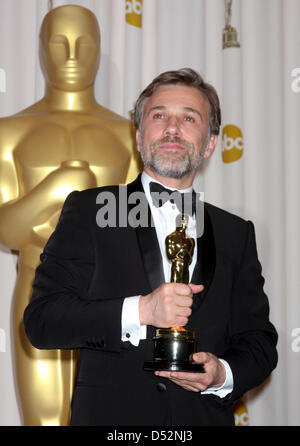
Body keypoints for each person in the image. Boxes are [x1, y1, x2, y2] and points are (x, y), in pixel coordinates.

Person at [24, 68, 278, 426]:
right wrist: (141, 310)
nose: (172, 128)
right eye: (159, 116)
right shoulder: (90, 211)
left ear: (210, 143)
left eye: (189, 118)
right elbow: (43, 321)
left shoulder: (236, 233)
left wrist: (221, 374)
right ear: (140, 136)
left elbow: (260, 343)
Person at [0, 5, 139, 426]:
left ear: (100, 50)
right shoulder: (10, 131)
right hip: (36, 285)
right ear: (41, 51)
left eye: (84, 43)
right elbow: (7, 230)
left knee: (110, 418)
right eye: (59, 44)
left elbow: (138, 225)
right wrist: (54, 189)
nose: (72, 55)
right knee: (44, 421)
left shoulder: (127, 135)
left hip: (112, 295)